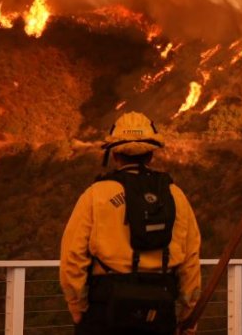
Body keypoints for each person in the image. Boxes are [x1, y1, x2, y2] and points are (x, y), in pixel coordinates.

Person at [60, 112, 202, 335]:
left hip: (105, 311)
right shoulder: (175, 196)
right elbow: (190, 259)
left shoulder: (95, 195)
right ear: (151, 154)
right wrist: (188, 313)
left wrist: (77, 307)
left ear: (115, 153)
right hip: (160, 312)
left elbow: (72, 257)